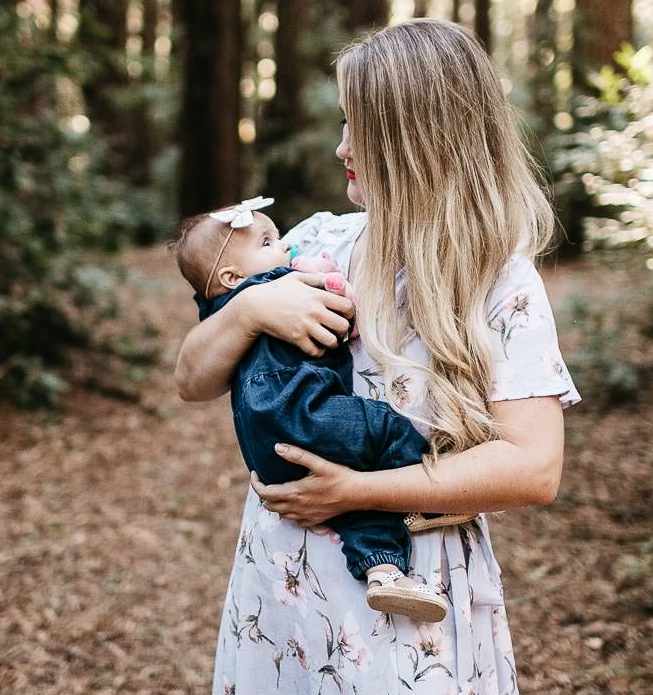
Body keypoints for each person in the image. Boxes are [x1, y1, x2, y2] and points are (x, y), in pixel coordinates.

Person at [177, 19, 579, 695]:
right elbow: (192, 378)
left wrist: (358, 489)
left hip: (412, 598)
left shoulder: (498, 281)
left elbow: (533, 466)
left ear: (412, 133)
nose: (341, 144)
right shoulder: (315, 246)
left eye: (359, 123)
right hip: (284, 597)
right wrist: (249, 313)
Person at [173, 195, 449, 623]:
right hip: (301, 410)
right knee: (384, 427)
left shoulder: (228, 297)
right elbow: (336, 309)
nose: (285, 245)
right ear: (231, 276)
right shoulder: (280, 279)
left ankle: (383, 571)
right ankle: (434, 487)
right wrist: (262, 304)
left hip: (271, 448)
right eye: (268, 242)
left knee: (355, 500)